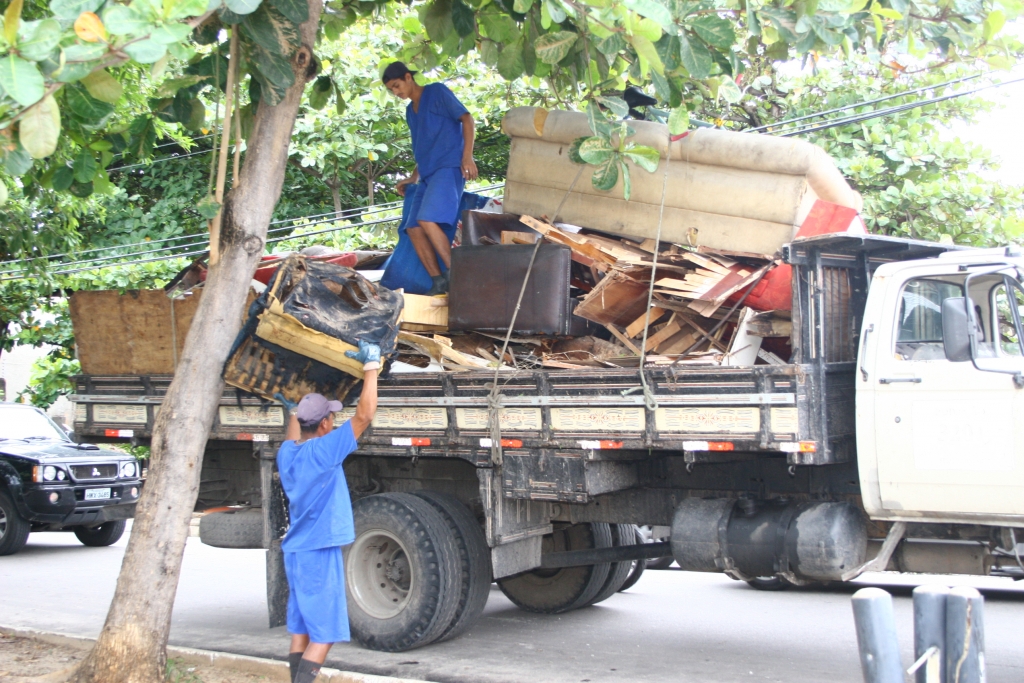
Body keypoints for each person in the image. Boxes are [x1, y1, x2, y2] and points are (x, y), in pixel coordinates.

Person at [274, 340, 380, 683]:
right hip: (319, 553)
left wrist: (293, 411)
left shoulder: (287, 456)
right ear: (323, 426)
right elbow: (364, 415)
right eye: (332, 417)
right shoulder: (325, 451)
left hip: (296, 552)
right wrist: (371, 366)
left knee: (302, 629)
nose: (335, 422)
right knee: (325, 634)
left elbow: (292, 438)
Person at [383, 61, 477, 296]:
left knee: (426, 219)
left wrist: (467, 157)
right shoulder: (409, 112)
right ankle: (438, 281)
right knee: (413, 228)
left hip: (448, 167)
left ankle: (458, 274)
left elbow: (467, 119)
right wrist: (412, 178)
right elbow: (423, 148)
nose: (396, 92)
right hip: (426, 174)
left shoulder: (436, 92)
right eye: (391, 90)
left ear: (408, 77)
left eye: (397, 86)